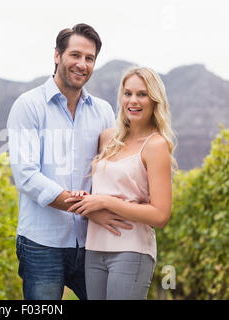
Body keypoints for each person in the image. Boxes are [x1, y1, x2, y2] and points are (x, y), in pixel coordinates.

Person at [7, 23, 134, 300]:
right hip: (41, 244)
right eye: (75, 55)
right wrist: (87, 209)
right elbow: (27, 176)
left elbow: (111, 168)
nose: (82, 64)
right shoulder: (28, 106)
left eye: (89, 58)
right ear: (57, 55)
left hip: (93, 242)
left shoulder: (102, 111)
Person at [65, 66, 177, 299]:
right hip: (94, 249)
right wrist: (86, 199)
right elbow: (101, 188)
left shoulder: (155, 145)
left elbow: (160, 215)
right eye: (128, 94)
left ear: (155, 100)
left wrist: (106, 202)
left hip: (132, 250)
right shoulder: (108, 138)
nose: (133, 101)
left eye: (142, 94)